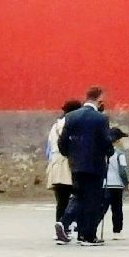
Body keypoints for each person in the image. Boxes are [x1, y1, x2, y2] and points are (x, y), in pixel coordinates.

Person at [60, 86, 114, 247]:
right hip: (95, 165)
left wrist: (70, 156)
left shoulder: (71, 116)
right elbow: (105, 141)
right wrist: (109, 151)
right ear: (99, 99)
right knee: (93, 200)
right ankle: (87, 235)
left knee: (79, 196)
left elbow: (62, 141)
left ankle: (67, 224)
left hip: (76, 164)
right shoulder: (101, 119)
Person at [47, 99, 79, 245]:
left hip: (55, 163)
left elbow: (48, 148)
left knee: (61, 200)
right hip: (68, 163)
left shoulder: (55, 126)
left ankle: (60, 228)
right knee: (75, 197)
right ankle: (68, 226)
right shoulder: (70, 124)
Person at [102, 127, 129, 238]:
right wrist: (126, 182)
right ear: (118, 140)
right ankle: (117, 231)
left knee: (102, 208)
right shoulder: (120, 154)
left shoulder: (102, 153)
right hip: (117, 185)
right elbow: (123, 170)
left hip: (104, 184)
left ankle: (92, 228)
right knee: (117, 209)